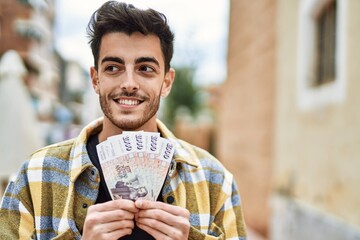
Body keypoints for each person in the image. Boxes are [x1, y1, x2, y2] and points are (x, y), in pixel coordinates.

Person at [0, 1, 247, 239]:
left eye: (145, 69)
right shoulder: (35, 175)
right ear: (95, 79)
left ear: (167, 82)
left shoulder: (215, 181)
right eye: (113, 68)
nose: (129, 83)